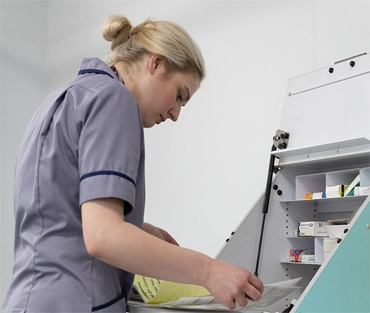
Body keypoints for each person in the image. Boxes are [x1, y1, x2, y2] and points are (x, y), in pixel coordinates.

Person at [2, 14, 263, 313]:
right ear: (156, 63)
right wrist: (210, 272)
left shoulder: (62, 99)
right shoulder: (115, 98)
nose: (176, 113)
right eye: (179, 95)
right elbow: (103, 237)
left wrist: (139, 228)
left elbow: (58, 214)